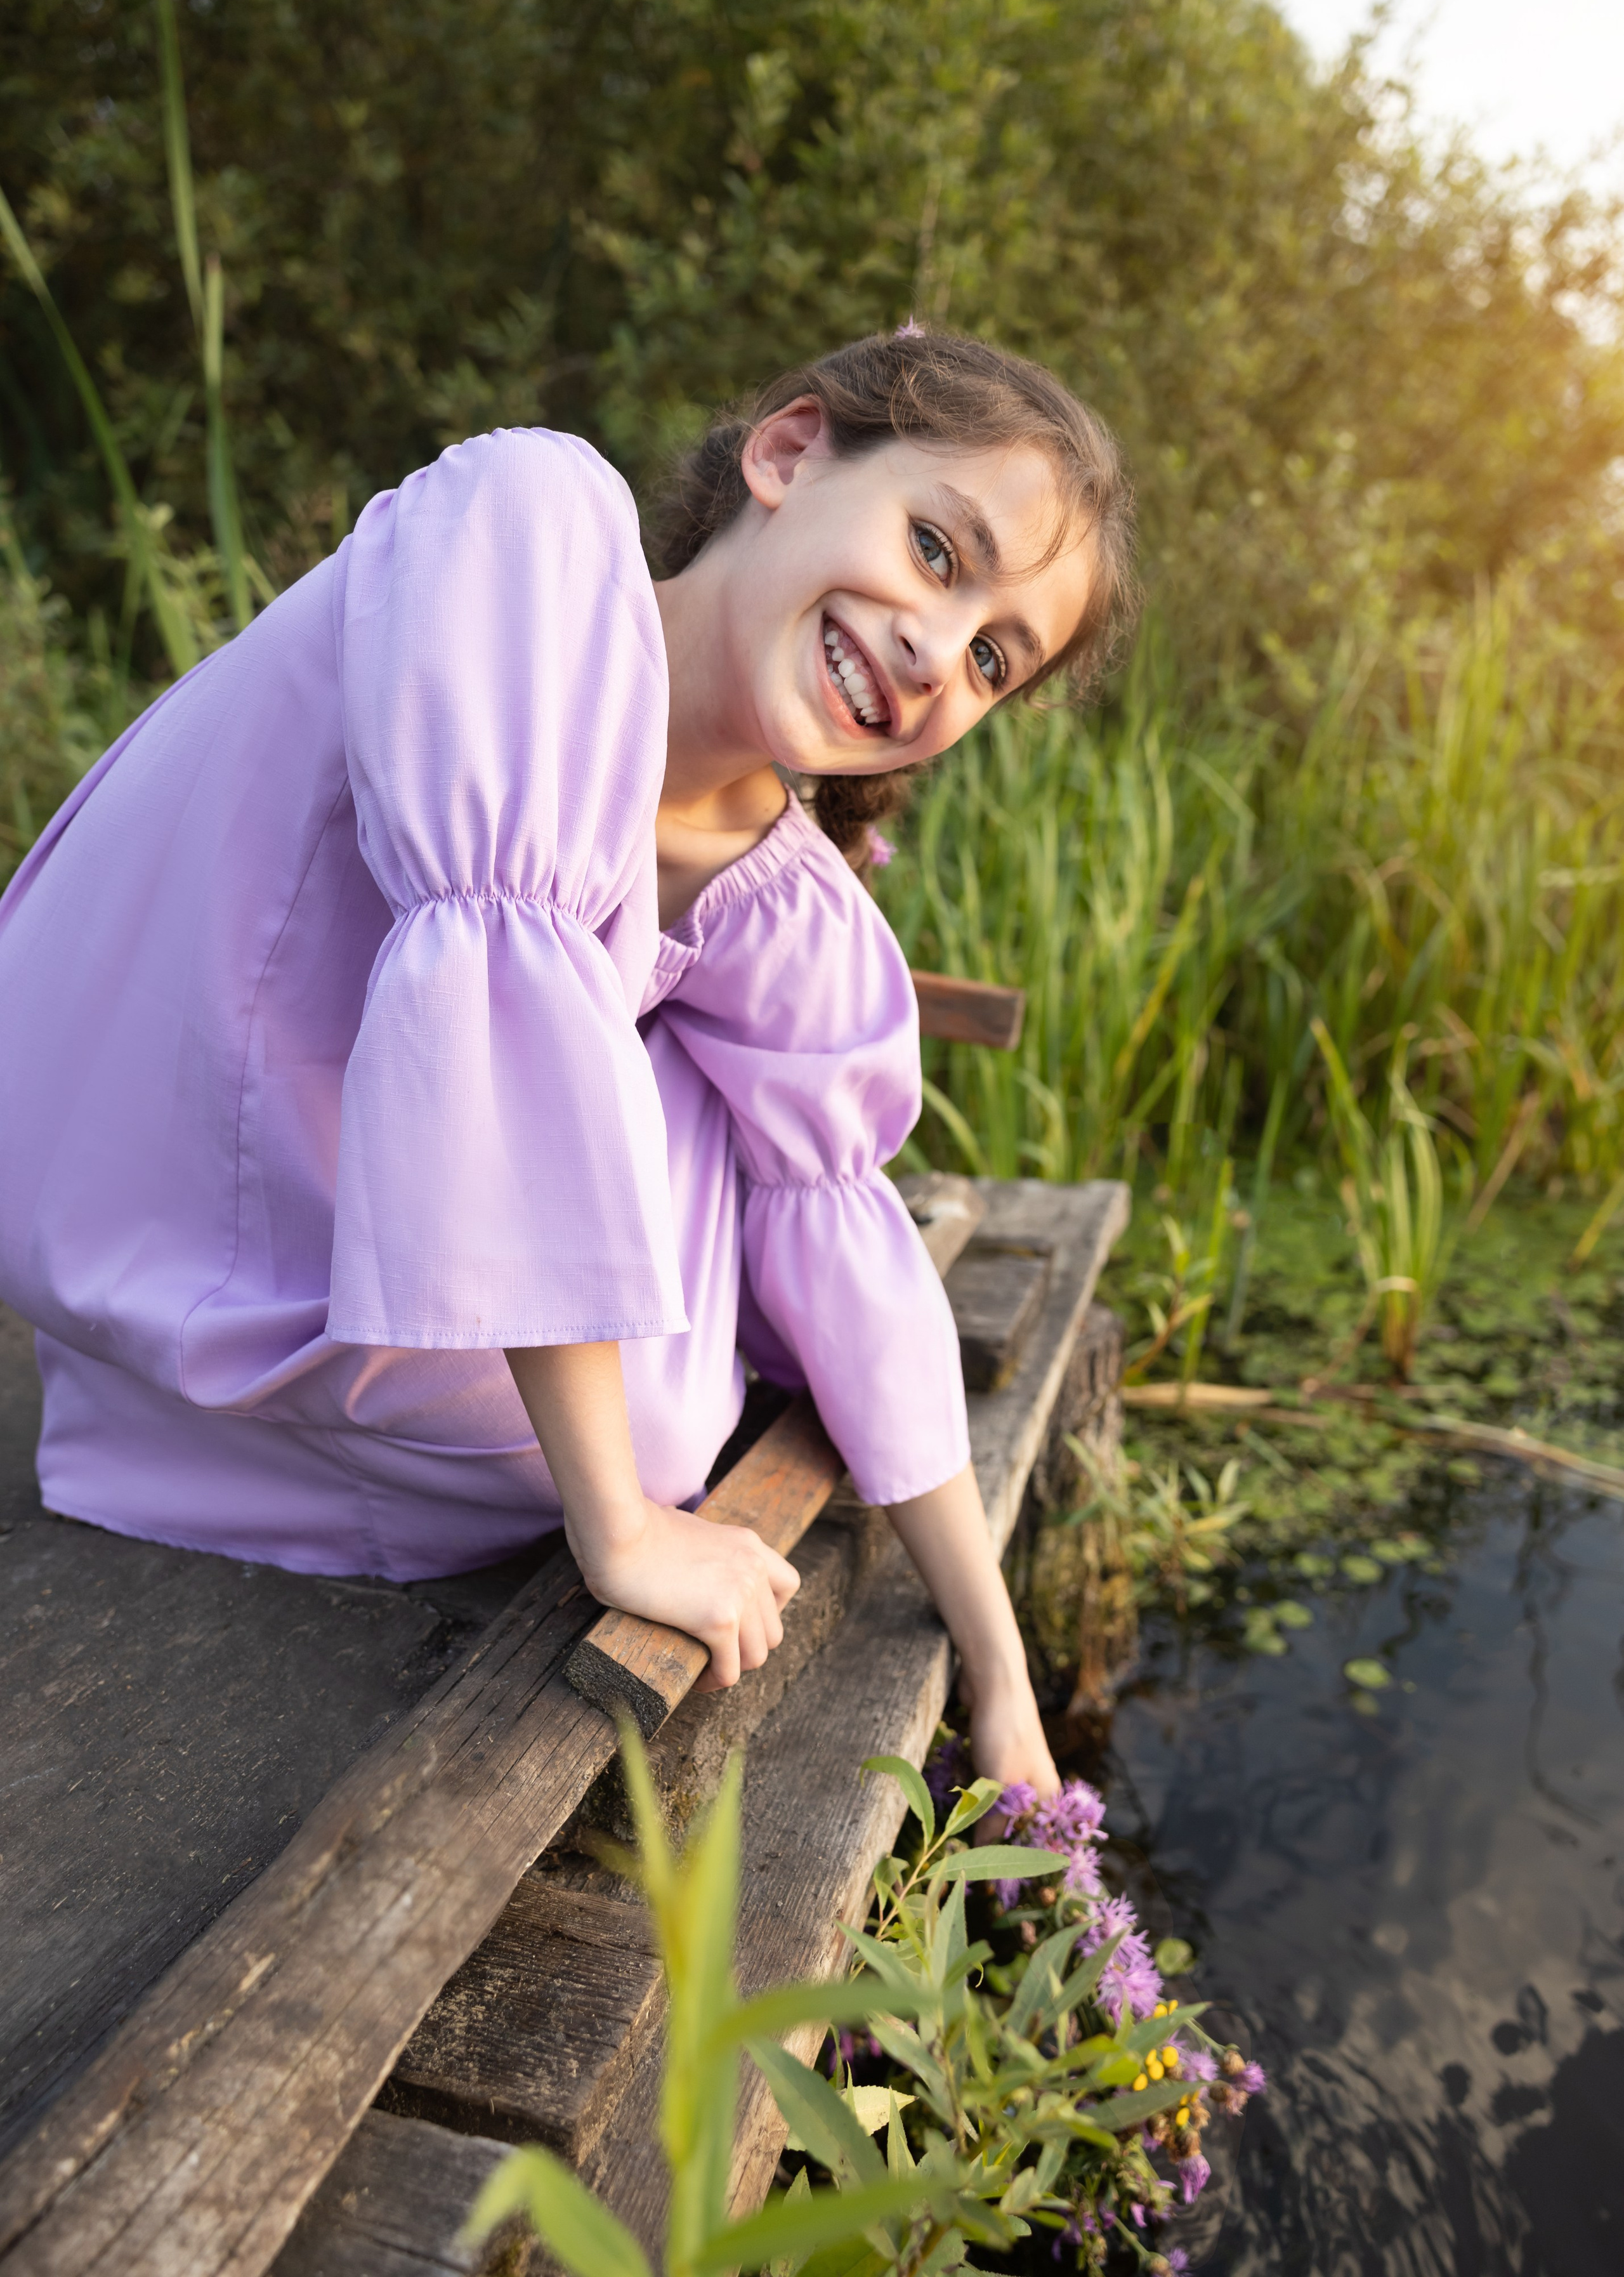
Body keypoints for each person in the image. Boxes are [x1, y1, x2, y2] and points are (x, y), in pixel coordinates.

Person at [0, 328, 1134, 1794]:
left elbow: (848, 1243)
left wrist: (997, 1670)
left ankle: (513, 1404)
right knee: (673, 1374)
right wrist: (623, 1523)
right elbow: (497, 978)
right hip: (161, 1186)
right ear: (787, 454)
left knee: (788, 1158)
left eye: (993, 655)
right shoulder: (528, 534)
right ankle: (597, 1409)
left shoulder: (784, 895)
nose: (934, 648)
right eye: (933, 547)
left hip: (351, 1323)